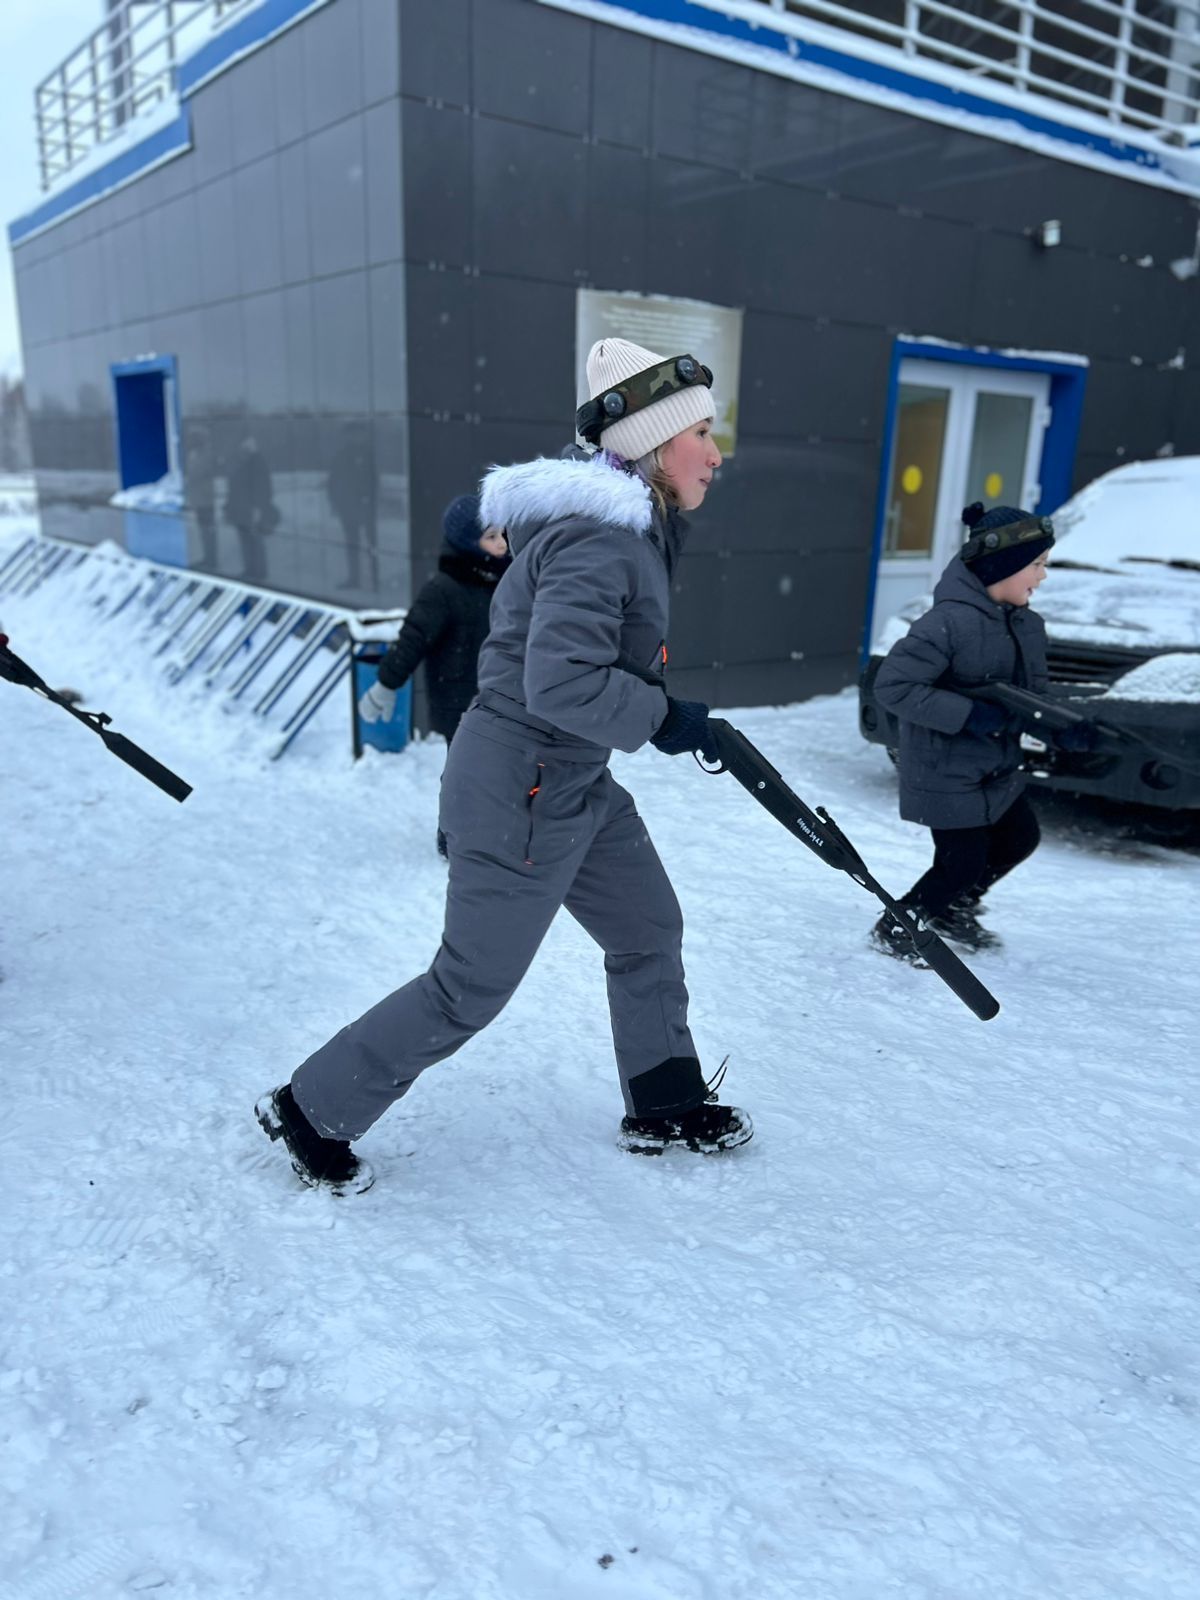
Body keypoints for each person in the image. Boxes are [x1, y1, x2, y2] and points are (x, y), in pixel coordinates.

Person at [255, 337, 753, 1193]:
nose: (715, 452)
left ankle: (664, 1099)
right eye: (700, 432)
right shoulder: (603, 537)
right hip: (523, 782)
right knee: (468, 987)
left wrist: (649, 716)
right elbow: (559, 681)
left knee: (646, 929)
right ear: (650, 445)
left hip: (574, 778)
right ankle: (312, 1108)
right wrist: (662, 716)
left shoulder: (629, 526)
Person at [871, 500, 1069, 958]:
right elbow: (893, 685)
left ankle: (953, 909)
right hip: (945, 767)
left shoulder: (1027, 624)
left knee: (1020, 838)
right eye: (1036, 565)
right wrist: (969, 714)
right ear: (1003, 565)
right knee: (961, 862)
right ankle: (900, 926)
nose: (1042, 576)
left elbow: (1035, 694)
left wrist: (1065, 728)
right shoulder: (946, 624)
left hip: (995, 765)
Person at [358, 492, 511, 856]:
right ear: (467, 543)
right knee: (463, 771)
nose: (502, 544)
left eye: (502, 534)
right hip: (456, 698)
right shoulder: (444, 590)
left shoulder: (507, 582)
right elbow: (413, 637)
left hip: (500, 694)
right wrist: (386, 684)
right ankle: (453, 837)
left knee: (500, 768)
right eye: (491, 537)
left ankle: (497, 831)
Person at [326, 420, 379, 592]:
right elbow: (333, 481)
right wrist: (335, 501)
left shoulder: (368, 454)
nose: (354, 437)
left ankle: (374, 579)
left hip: (364, 506)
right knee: (352, 544)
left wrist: (369, 501)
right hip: (347, 508)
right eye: (351, 434)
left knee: (371, 544)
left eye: (357, 433)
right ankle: (354, 578)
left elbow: (373, 481)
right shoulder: (341, 455)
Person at [224, 436, 275, 585]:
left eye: (245, 449)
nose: (242, 451)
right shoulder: (244, 463)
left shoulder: (257, 464)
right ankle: (251, 570)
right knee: (246, 542)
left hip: (251, 510)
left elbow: (263, 488)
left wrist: (258, 508)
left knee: (254, 541)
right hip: (242, 510)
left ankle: (258, 572)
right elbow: (235, 488)